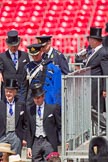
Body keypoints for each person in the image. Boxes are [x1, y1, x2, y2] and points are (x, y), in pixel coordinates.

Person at [26, 83, 61, 162]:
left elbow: (59, 126)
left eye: (38, 98)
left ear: (43, 97)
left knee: (51, 160)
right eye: (35, 98)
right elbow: (29, 129)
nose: (36, 100)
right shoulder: (30, 110)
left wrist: (60, 141)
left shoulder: (52, 108)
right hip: (36, 140)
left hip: (48, 140)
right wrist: (29, 146)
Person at [0, 79, 27, 155]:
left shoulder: (21, 104)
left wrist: (24, 138)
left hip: (16, 136)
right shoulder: (1, 104)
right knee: (3, 158)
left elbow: (25, 123)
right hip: (3, 135)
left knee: (15, 157)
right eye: (7, 91)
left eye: (10, 92)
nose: (8, 94)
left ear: (15, 92)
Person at [0, 30, 30, 99]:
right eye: (11, 46)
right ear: (7, 44)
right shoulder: (2, 57)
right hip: (8, 93)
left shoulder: (25, 56)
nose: (14, 47)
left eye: (15, 45)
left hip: (22, 92)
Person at [86, 27, 108, 113]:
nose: (89, 42)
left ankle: (103, 126)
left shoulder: (103, 53)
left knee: (96, 109)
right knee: (93, 108)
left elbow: (106, 71)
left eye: (90, 39)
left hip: (97, 85)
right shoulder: (94, 51)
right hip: (91, 85)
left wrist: (105, 88)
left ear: (95, 40)